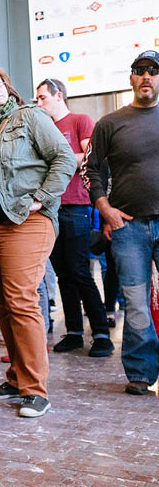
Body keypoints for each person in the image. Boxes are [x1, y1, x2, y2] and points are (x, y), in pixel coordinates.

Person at [0, 66, 74, 418]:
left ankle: (35, 389)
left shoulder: (28, 116)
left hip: (26, 220)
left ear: (7, 86)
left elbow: (65, 157)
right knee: (1, 304)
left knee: (21, 300)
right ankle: (15, 378)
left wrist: (42, 198)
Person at [83, 50, 159, 396]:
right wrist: (104, 207)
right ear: (130, 78)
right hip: (129, 227)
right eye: (140, 70)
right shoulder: (110, 123)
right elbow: (92, 169)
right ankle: (141, 372)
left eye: (154, 71)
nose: (147, 76)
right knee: (135, 301)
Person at [35, 77, 113, 356]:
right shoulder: (42, 127)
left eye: (43, 97)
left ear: (59, 96)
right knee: (63, 276)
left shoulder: (80, 119)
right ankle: (74, 333)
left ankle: (102, 334)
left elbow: (89, 158)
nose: (39, 103)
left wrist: (55, 157)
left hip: (76, 206)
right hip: (49, 209)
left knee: (80, 272)